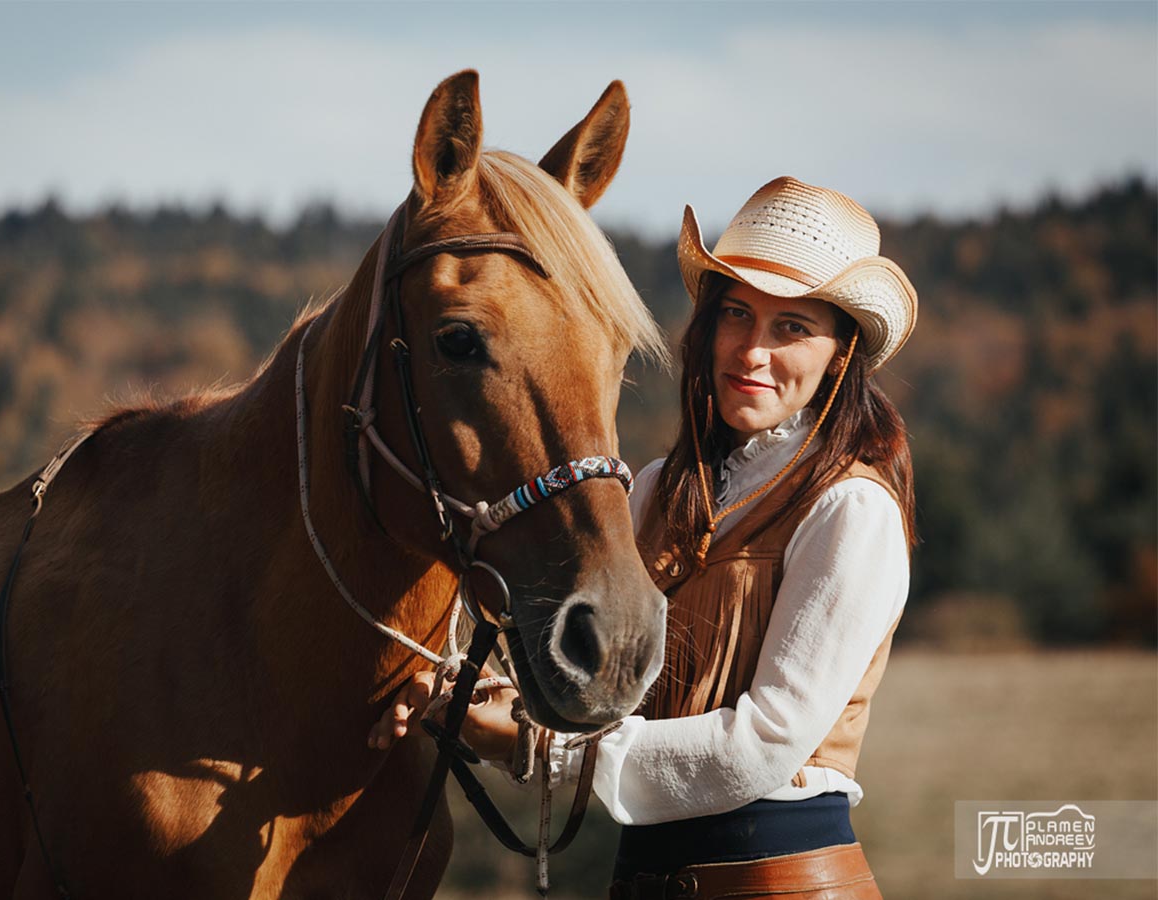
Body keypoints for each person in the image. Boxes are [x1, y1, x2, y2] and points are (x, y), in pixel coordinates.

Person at [370, 176, 918, 899]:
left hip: (781, 883)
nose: (752, 352)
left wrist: (546, 752)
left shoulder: (851, 508)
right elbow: (594, 681)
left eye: (792, 328)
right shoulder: (660, 486)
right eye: (737, 315)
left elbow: (763, 745)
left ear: (840, 353)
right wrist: (465, 696)